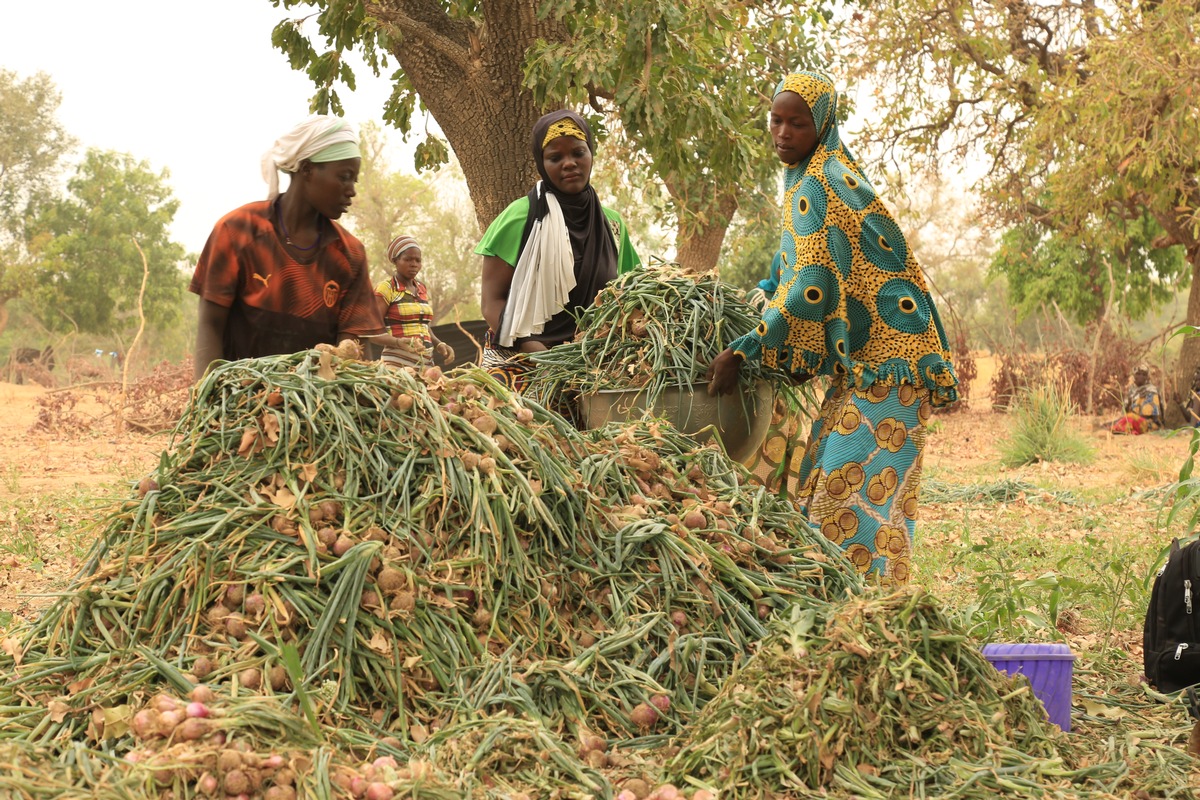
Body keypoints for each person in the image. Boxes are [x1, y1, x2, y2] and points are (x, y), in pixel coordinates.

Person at [705, 70, 959, 587]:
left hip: (893, 365)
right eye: (775, 121)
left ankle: (874, 619)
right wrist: (745, 300)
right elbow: (787, 271)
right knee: (821, 484)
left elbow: (810, 286)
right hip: (864, 367)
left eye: (796, 124)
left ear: (821, 126)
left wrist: (745, 350)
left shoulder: (823, 182)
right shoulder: (807, 177)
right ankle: (851, 615)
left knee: (852, 495)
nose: (782, 133)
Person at [190, 116, 395, 381]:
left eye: (354, 180)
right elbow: (210, 324)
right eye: (344, 177)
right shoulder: (238, 231)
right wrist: (208, 400)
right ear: (307, 170)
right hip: (239, 403)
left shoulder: (349, 255)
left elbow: (350, 349)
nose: (352, 191)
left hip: (313, 407)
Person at [476, 109, 641, 390]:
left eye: (578, 153)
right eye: (555, 157)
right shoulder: (519, 218)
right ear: (542, 164)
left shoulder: (612, 225)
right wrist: (544, 358)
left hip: (594, 371)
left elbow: (629, 299)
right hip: (523, 365)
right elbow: (492, 302)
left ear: (591, 154)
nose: (569, 164)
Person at [374, 234, 454, 369]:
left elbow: (423, 325)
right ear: (395, 261)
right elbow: (372, 331)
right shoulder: (387, 288)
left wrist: (438, 343)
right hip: (397, 367)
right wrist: (398, 342)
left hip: (426, 365)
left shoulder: (421, 288)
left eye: (418, 260)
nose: (414, 264)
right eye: (408, 259)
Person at [1111, 364, 1162, 434]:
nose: (1141, 377)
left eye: (1144, 375)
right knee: (1114, 422)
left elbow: (1150, 415)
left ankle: (1123, 430)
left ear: (1147, 377)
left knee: (1130, 417)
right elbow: (1124, 410)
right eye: (1138, 374)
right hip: (1132, 419)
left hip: (1149, 424)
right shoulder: (1132, 390)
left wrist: (1133, 415)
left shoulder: (1152, 391)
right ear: (1134, 376)